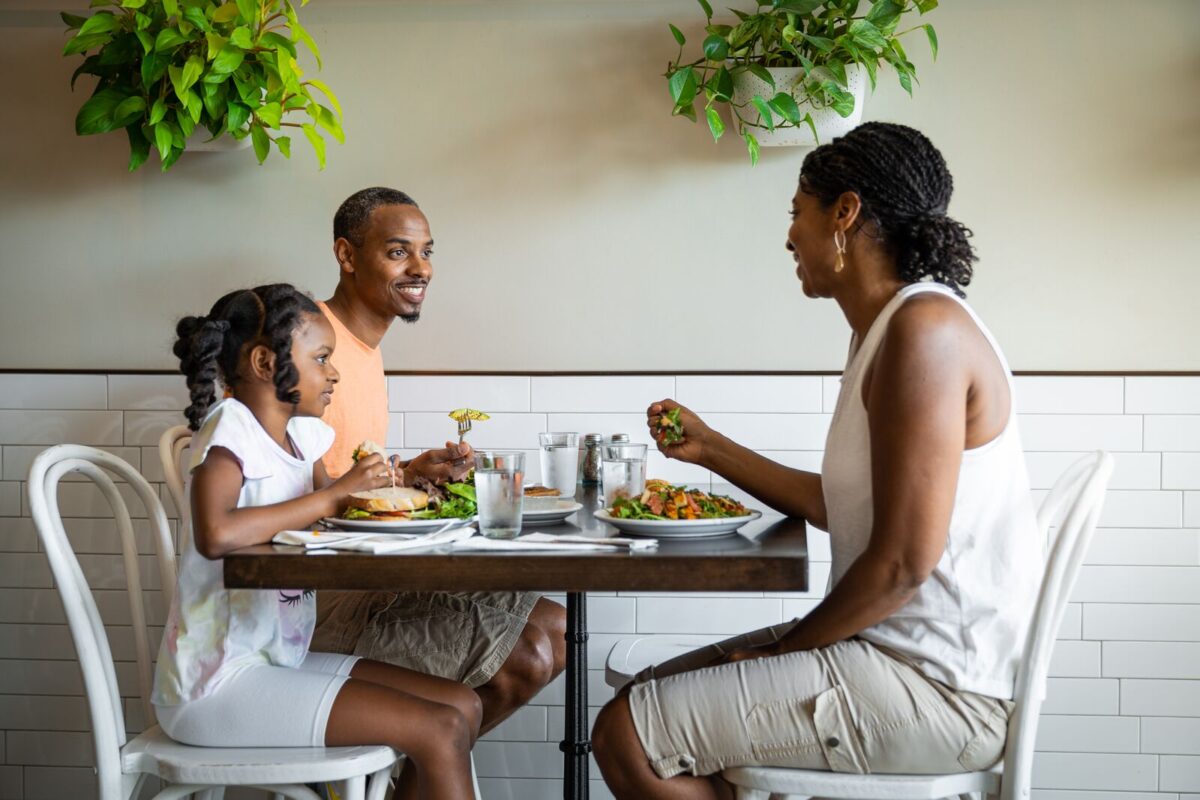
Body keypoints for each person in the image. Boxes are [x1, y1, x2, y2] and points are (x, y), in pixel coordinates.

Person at [591, 122, 1042, 800]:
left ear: (846, 213)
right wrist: (711, 449)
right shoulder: (886, 330)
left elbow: (900, 568)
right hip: (893, 655)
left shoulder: (925, 333)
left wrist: (783, 652)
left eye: (796, 212)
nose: (789, 236)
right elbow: (848, 508)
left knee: (626, 734)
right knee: (653, 697)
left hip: (937, 688)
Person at [152, 284, 481, 799]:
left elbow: (342, 505)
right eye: (322, 358)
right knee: (439, 727)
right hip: (213, 684)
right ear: (265, 362)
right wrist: (335, 498)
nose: (334, 373)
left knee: (462, 705)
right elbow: (216, 533)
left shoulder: (303, 437)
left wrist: (413, 481)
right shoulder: (230, 428)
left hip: (276, 657)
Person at [310, 187, 567, 734]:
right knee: (529, 655)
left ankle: (420, 778)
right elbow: (275, 485)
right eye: (398, 252)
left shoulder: (365, 352)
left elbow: (338, 478)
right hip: (314, 605)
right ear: (347, 254)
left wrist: (409, 476)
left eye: (427, 252)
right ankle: (426, 771)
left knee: (560, 629)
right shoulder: (309, 344)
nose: (420, 268)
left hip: (364, 578)